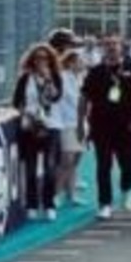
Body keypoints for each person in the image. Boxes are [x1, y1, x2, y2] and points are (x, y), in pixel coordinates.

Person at [77, 34, 131, 220]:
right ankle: (105, 203)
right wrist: (80, 123)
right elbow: (84, 97)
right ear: (103, 47)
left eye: (115, 44)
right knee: (103, 165)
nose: (111, 47)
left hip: (126, 125)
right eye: (107, 44)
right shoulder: (96, 71)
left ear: (121, 46)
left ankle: (127, 189)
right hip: (100, 125)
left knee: (128, 164)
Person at [12, 41, 64, 220]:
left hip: (52, 124)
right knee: (31, 168)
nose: (41, 61)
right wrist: (27, 114)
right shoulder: (25, 78)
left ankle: (49, 204)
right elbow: (16, 102)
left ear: (50, 59)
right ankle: (32, 204)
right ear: (32, 60)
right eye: (37, 58)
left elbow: (56, 97)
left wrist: (48, 79)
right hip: (31, 126)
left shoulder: (55, 76)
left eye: (45, 58)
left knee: (50, 166)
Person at [53, 48, 85, 208]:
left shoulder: (80, 78)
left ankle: (71, 194)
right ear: (71, 63)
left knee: (75, 160)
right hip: (66, 124)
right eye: (79, 61)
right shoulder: (62, 77)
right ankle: (56, 194)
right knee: (66, 160)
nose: (82, 64)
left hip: (80, 124)